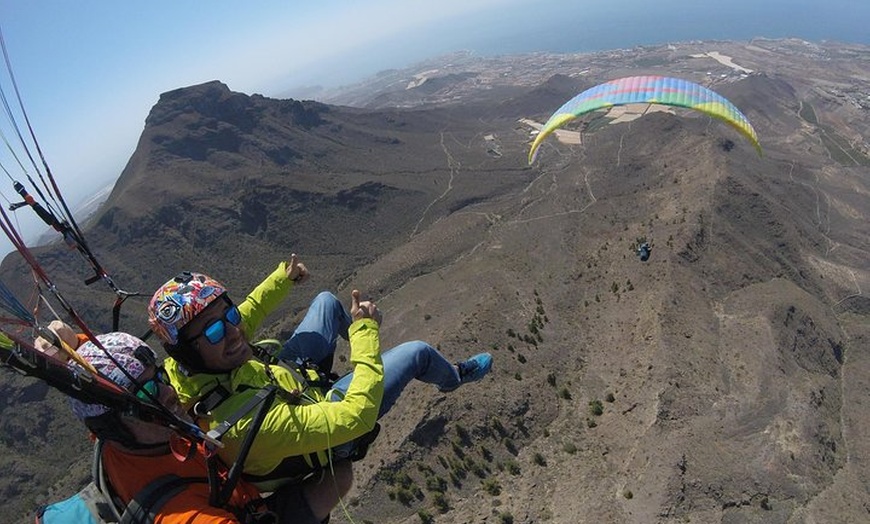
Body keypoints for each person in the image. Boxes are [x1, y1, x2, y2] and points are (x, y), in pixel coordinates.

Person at [147, 254, 492, 492]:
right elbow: (356, 416)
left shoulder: (190, 363)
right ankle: (454, 377)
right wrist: (365, 333)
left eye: (229, 317)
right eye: (214, 332)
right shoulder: (241, 425)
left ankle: (361, 360)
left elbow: (245, 314)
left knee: (327, 301)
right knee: (417, 352)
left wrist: (281, 279)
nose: (234, 332)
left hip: (285, 380)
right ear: (188, 350)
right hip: (326, 420)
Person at [66, 331, 352, 524]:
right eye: (147, 393)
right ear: (114, 425)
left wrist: (70, 341)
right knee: (339, 475)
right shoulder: (180, 514)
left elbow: (94, 379)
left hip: (223, 481)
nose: (167, 392)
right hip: (239, 509)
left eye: (161, 377)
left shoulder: (115, 433)